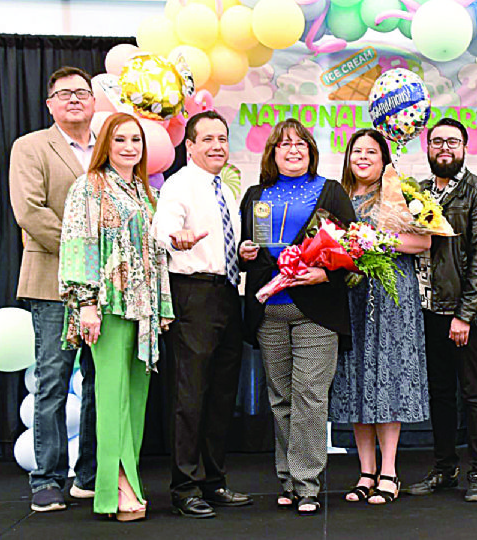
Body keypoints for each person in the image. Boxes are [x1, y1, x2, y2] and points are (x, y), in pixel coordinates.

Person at [58, 112, 173, 520]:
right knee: (111, 398)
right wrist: (86, 303)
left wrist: (163, 306)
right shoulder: (89, 187)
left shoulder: (144, 192)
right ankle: (114, 488)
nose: (129, 147)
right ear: (106, 143)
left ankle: (130, 479)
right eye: (120, 139)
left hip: (142, 310)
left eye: (136, 140)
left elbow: (154, 251)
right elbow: (78, 243)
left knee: (136, 400)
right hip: (106, 307)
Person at [240, 118, 356, 516]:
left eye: (300, 145)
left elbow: (354, 249)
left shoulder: (331, 192)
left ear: (311, 152)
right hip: (270, 312)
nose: (293, 151)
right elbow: (247, 251)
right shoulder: (256, 195)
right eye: (284, 145)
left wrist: (325, 272)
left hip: (316, 313)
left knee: (309, 395)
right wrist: (245, 253)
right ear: (272, 153)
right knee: (281, 400)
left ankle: (307, 484)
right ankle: (287, 480)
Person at [152, 111, 253, 518]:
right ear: (189, 145)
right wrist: (176, 238)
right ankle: (184, 487)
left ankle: (214, 481)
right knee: (189, 395)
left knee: (220, 395)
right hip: (192, 296)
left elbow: (222, 245)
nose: (217, 146)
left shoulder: (224, 189)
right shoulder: (179, 185)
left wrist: (242, 253)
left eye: (222, 138)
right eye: (207, 138)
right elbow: (162, 230)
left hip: (228, 293)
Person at [8, 66, 98, 513]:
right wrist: (85, 253)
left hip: (108, 288)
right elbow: (30, 211)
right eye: (65, 94)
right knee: (52, 383)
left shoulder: (107, 147)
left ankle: (91, 476)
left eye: (82, 92)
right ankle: (46, 479)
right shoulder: (30, 147)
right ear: (50, 105)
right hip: (52, 283)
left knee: (103, 384)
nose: (75, 100)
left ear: (94, 101)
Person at [331, 128, 431, 505]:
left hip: (392, 296)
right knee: (358, 380)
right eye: (357, 151)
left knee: (387, 379)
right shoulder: (336, 198)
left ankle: (389, 471)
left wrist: (379, 241)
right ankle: (365, 472)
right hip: (352, 299)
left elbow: (424, 242)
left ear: (384, 157)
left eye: (371, 152)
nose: (363, 158)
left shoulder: (401, 193)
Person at [406, 118, 477, 502]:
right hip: (427, 309)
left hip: (465, 314)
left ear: (465, 147)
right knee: (441, 393)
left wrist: (465, 314)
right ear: (428, 148)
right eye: (437, 141)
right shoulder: (420, 191)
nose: (444, 147)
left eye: (453, 141)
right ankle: (444, 468)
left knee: (474, 393)